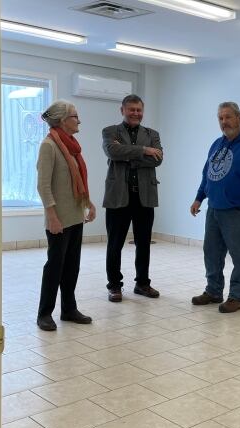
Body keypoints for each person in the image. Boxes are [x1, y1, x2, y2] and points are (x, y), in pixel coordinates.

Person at [190, 102, 240, 313]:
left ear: (239, 117)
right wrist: (199, 198)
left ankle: (237, 296)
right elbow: (207, 174)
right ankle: (214, 291)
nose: (224, 122)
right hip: (214, 209)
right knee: (212, 253)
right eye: (220, 118)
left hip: (238, 211)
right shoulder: (217, 144)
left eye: (228, 117)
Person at [36, 100, 96, 331]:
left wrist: (88, 203)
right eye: (75, 116)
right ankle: (44, 313)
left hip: (74, 215)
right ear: (62, 120)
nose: (79, 120)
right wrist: (51, 215)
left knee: (72, 266)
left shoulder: (71, 146)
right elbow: (43, 185)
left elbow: (76, 181)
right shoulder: (49, 146)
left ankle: (69, 309)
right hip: (58, 218)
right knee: (55, 266)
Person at [102, 94, 163, 302]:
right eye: (131, 110)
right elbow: (112, 151)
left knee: (144, 242)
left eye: (139, 110)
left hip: (144, 196)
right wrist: (144, 151)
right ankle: (114, 286)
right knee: (115, 243)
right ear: (122, 111)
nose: (136, 113)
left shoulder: (152, 133)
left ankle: (143, 284)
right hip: (118, 196)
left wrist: (127, 155)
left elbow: (158, 160)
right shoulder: (110, 131)